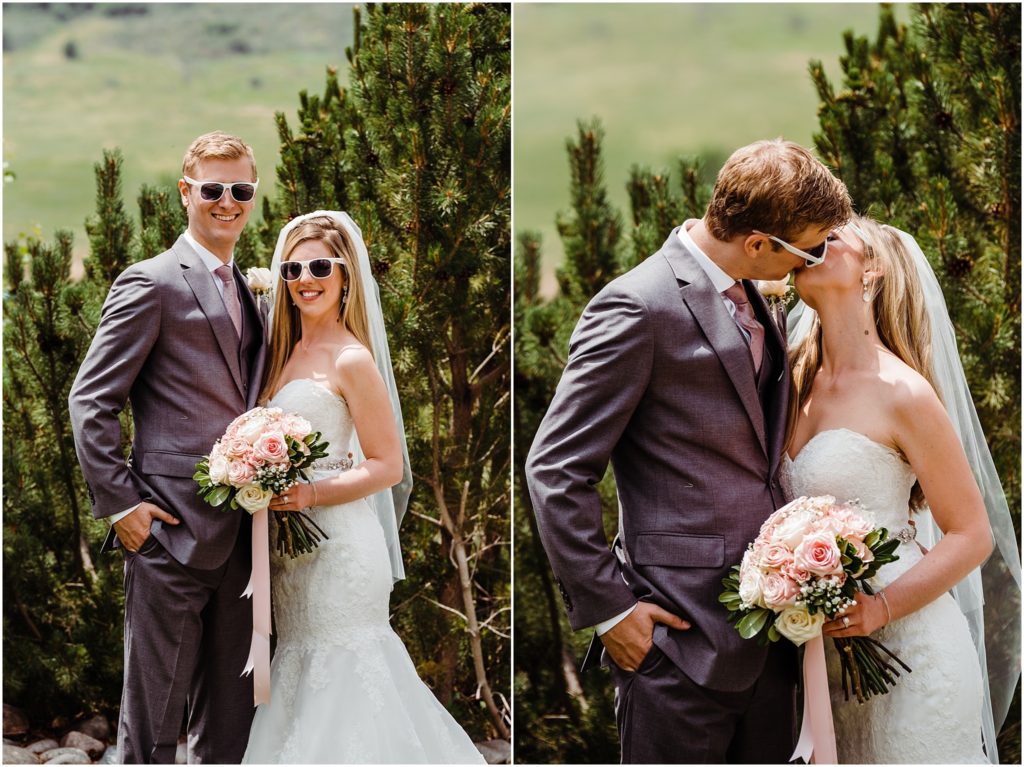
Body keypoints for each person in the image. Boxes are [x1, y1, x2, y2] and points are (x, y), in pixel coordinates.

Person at [525, 139, 853, 763]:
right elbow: (555, 467)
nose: (811, 260)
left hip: (772, 638)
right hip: (675, 639)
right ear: (757, 243)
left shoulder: (761, 295)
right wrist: (611, 611)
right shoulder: (635, 306)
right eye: (806, 247)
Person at [241, 211, 484, 764]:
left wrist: (310, 495)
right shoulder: (278, 352)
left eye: (320, 266)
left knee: (347, 668)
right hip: (289, 552)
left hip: (342, 549)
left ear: (346, 275)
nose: (306, 278)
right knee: (300, 667)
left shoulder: (352, 359)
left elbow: (388, 465)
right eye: (293, 269)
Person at [785, 217, 1021, 763]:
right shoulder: (790, 376)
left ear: (873, 269)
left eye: (832, 239)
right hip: (819, 664)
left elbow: (971, 533)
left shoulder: (904, 393)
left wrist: (881, 608)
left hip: (910, 654)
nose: (811, 248)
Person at [68, 131, 267, 763]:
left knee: (231, 730)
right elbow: (90, 399)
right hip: (169, 535)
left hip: (248, 542)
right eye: (213, 190)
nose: (227, 202)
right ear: (186, 193)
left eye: (241, 190)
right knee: (152, 725)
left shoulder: (255, 292)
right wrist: (122, 507)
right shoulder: (150, 282)